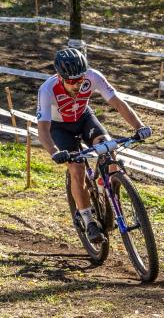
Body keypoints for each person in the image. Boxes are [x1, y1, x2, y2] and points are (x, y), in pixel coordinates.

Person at [36, 48, 151, 245]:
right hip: (60, 128)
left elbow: (118, 103)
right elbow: (43, 129)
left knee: (109, 148)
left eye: (80, 79)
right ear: (60, 77)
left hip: (84, 118)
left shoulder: (93, 76)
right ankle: (88, 219)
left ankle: (107, 188)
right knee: (77, 169)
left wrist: (139, 127)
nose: (77, 85)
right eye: (71, 81)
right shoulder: (47, 90)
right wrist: (54, 152)